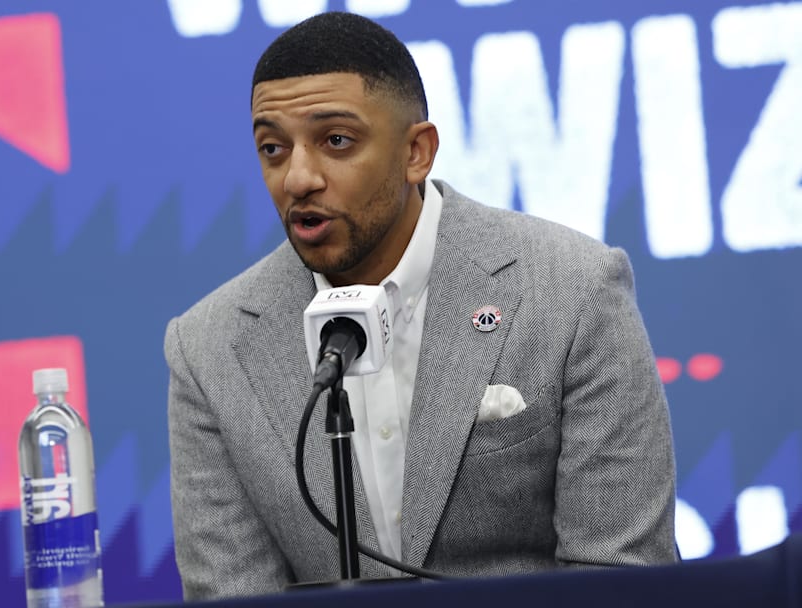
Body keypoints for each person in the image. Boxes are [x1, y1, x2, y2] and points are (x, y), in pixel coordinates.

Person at [164, 11, 676, 600]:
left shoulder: (573, 291)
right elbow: (235, 593)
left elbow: (621, 579)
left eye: (336, 141)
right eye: (273, 148)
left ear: (417, 152)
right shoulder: (209, 348)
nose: (298, 178)